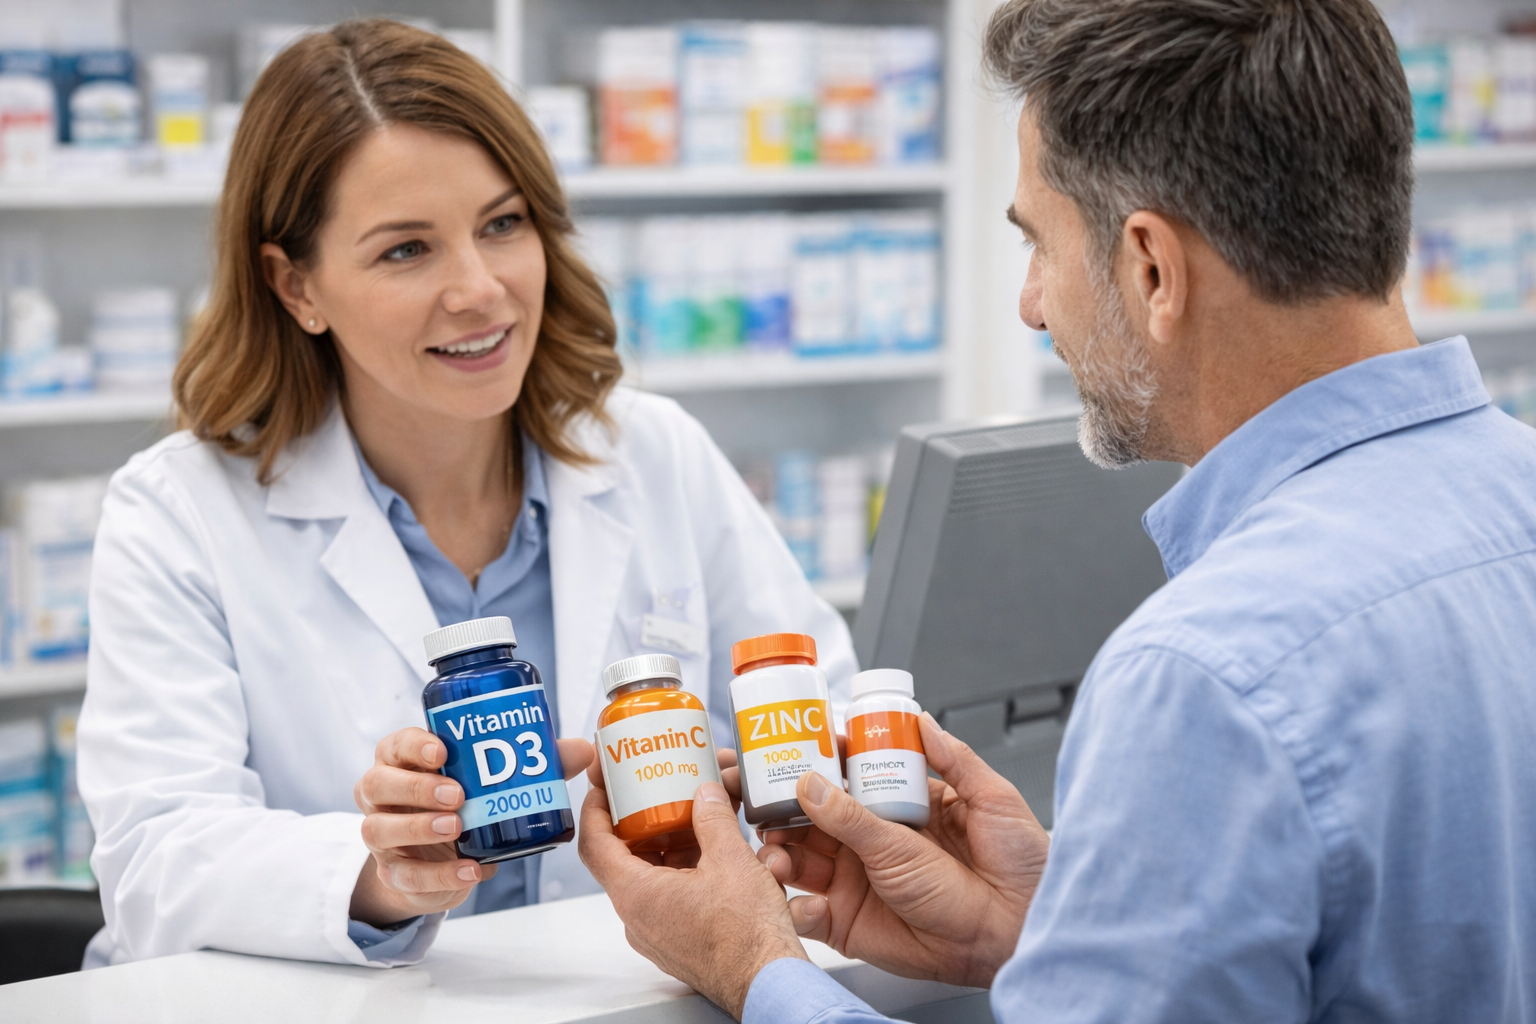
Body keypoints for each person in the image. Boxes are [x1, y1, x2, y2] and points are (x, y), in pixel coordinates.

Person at [579, 0, 1536, 1021]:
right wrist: (1056, 927)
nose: (1031, 305)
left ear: (1153, 269)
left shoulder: (1208, 676)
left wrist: (753, 963)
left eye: (1038, 245)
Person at [76, 19, 854, 970]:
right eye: (407, 250)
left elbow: (818, 703)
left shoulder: (655, 453)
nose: (480, 289)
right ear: (295, 286)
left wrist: (768, 786)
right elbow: (155, 855)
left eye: (502, 224)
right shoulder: (180, 512)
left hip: (613, 989)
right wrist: (379, 871)